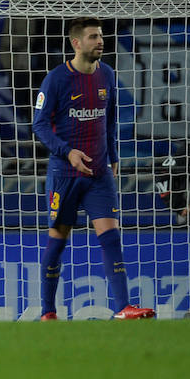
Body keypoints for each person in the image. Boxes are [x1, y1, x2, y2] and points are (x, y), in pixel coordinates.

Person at [32, 17, 155, 320]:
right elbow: (39, 125)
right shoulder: (57, 79)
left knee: (111, 237)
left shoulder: (108, 74)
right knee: (58, 240)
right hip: (65, 175)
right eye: (92, 37)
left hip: (99, 173)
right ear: (76, 43)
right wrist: (68, 151)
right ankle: (48, 311)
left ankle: (124, 307)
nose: (100, 41)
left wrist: (113, 154)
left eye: (100, 36)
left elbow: (109, 119)